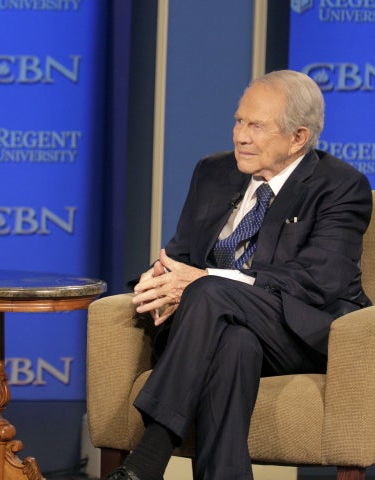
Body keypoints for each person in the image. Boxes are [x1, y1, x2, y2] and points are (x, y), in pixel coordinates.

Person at [106, 70, 372, 480]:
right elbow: (179, 257)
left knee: (213, 293)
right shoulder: (213, 173)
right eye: (238, 121)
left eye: (257, 126)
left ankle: (150, 455)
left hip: (297, 332)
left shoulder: (339, 186)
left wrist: (206, 281)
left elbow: (319, 279)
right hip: (216, 328)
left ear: (298, 137)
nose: (240, 136)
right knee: (235, 343)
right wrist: (158, 283)